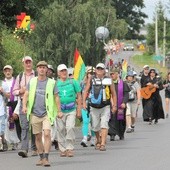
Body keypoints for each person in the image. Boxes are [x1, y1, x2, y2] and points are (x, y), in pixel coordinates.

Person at [22, 61, 62, 167]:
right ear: (37, 69)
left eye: (44, 67)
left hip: (47, 113)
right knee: (38, 136)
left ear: (47, 70)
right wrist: (24, 106)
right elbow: (26, 94)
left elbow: (56, 97)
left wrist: (59, 111)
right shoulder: (32, 81)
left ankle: (46, 157)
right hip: (34, 113)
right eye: (40, 67)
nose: (42, 69)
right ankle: (41, 157)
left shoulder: (52, 82)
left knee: (47, 134)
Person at [83, 63, 117, 151]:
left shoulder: (108, 80)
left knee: (104, 124)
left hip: (105, 106)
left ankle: (102, 143)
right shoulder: (91, 79)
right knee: (95, 126)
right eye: (98, 68)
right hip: (94, 106)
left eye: (101, 69)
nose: (99, 70)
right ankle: (98, 139)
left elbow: (113, 93)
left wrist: (114, 106)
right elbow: (86, 90)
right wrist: (83, 102)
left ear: (104, 70)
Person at [12, 56, 37, 157]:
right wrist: (20, 91)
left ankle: (35, 148)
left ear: (32, 63)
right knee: (25, 126)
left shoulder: (36, 74)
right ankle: (24, 149)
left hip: (35, 103)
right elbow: (14, 91)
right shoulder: (20, 76)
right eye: (26, 62)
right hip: (24, 103)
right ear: (23, 64)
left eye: (29, 62)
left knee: (35, 126)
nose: (28, 64)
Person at [56, 64, 81, 157]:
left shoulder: (73, 82)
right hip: (60, 110)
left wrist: (79, 109)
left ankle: (69, 148)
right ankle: (62, 149)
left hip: (71, 109)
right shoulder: (55, 84)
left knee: (70, 127)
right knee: (60, 129)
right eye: (61, 71)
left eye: (65, 70)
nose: (64, 73)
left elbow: (79, 95)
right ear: (58, 73)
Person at [108, 68, 130, 141]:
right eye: (110, 74)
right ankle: (112, 134)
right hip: (111, 104)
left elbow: (126, 94)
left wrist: (124, 102)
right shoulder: (108, 84)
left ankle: (121, 134)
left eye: (113, 74)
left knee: (121, 120)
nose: (111, 75)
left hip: (121, 105)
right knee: (112, 119)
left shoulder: (123, 84)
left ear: (117, 74)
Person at [3, 65, 20, 150]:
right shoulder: (2, 82)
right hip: (6, 104)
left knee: (16, 123)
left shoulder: (16, 81)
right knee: (7, 123)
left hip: (15, 103)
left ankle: (16, 141)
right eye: (6, 71)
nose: (8, 72)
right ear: (4, 72)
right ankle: (8, 142)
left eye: (9, 70)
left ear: (12, 71)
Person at [80, 66, 95, 147]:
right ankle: (85, 138)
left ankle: (93, 138)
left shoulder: (96, 82)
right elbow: (79, 94)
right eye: (89, 73)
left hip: (94, 104)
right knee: (86, 121)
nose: (91, 75)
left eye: (92, 73)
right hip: (85, 103)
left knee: (93, 122)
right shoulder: (82, 83)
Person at [0, 78, 9, 151]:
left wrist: (2, 91)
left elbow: (9, 96)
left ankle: (3, 142)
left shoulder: (3, 83)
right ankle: (3, 142)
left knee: (1, 129)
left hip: (1, 110)